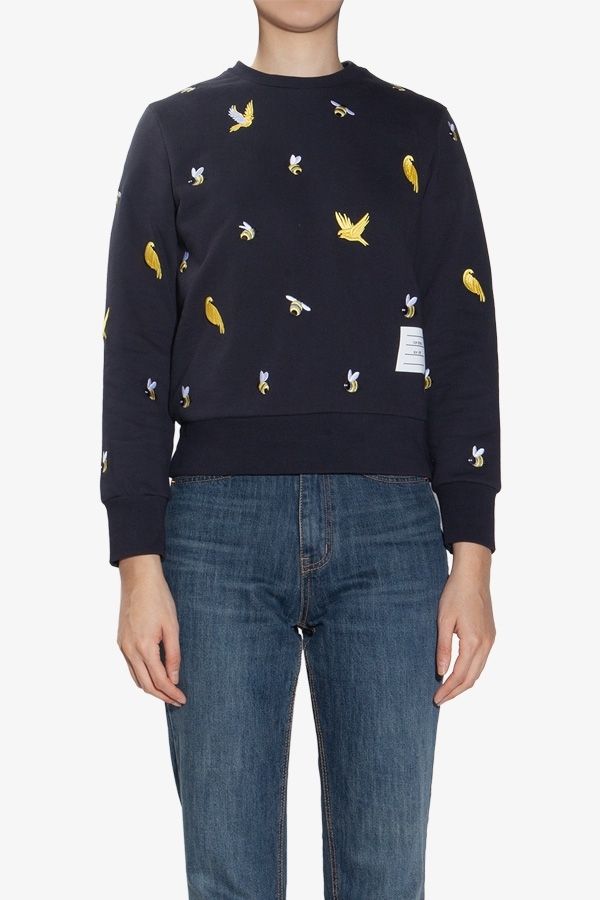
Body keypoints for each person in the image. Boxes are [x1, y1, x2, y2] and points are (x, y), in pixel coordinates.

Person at [99, 1, 500, 896]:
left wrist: (472, 558)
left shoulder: (420, 131)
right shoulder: (174, 130)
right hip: (213, 537)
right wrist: (137, 564)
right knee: (228, 875)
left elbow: (464, 340)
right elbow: (136, 352)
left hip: (393, 531)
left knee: (386, 873)